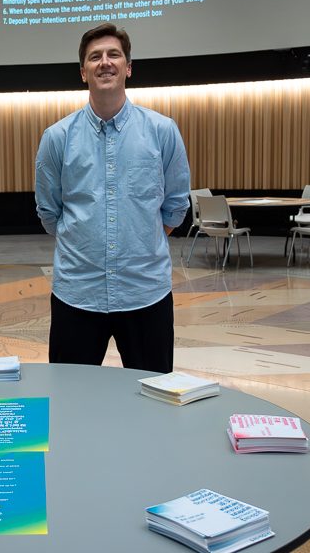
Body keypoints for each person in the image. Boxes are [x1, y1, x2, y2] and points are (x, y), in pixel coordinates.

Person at [34, 23, 190, 372]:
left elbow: (176, 204)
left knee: (153, 399)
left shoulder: (162, 131)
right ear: (83, 71)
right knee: (70, 401)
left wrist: (141, 241)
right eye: (95, 57)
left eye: (113, 54)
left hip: (145, 293)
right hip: (78, 294)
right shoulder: (57, 137)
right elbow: (49, 211)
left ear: (128, 67)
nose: (105, 62)